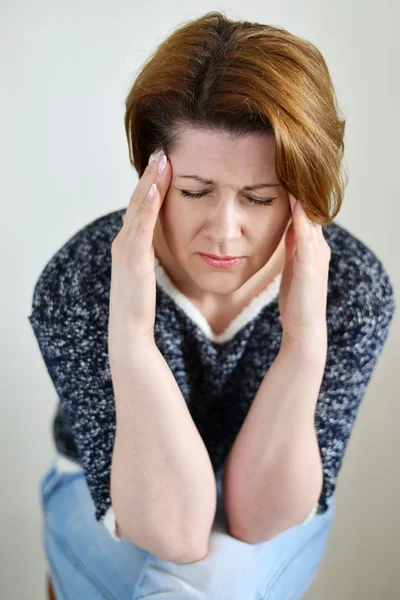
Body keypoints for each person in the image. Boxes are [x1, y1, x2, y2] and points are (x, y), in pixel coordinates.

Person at [29, 10, 396, 599]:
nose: (225, 233)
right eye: (196, 192)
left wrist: (304, 343)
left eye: (259, 197)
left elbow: (260, 517)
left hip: (275, 505)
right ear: (152, 169)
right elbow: (172, 530)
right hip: (110, 498)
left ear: (303, 189)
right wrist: (130, 336)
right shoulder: (79, 284)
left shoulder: (353, 288)